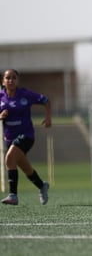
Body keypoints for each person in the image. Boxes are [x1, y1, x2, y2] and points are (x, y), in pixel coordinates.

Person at [0, 69, 51, 205]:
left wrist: (48, 118)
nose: (11, 80)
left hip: (26, 135)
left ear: (17, 80)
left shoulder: (25, 94)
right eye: (8, 78)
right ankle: (42, 186)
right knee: (26, 167)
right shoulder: (0, 97)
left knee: (9, 158)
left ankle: (13, 195)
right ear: (3, 81)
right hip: (9, 138)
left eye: (14, 78)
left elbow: (46, 100)